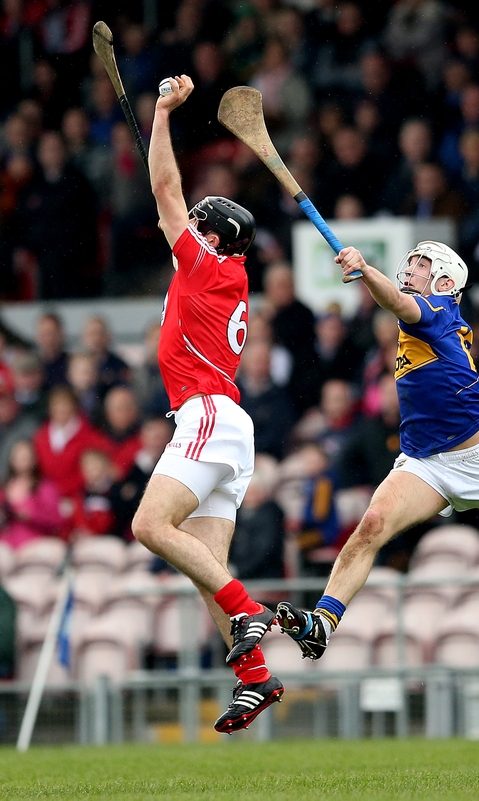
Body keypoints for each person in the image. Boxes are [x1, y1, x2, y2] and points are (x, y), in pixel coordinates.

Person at [259, 240, 479, 661]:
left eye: (421, 264)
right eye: (410, 262)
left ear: (444, 282)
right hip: (423, 463)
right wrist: (370, 277)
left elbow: (395, 299)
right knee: (372, 523)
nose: (410, 268)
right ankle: (323, 622)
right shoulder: (417, 318)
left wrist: (365, 268)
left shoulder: (433, 314)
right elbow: (394, 300)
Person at [130, 74, 282, 735]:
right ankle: (256, 675)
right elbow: (171, 202)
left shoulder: (206, 266)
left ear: (212, 239)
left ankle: (251, 610)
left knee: (148, 526)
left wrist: (162, 113)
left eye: (195, 227)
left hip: (208, 415)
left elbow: (165, 190)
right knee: (205, 569)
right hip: (226, 427)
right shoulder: (221, 274)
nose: (182, 230)